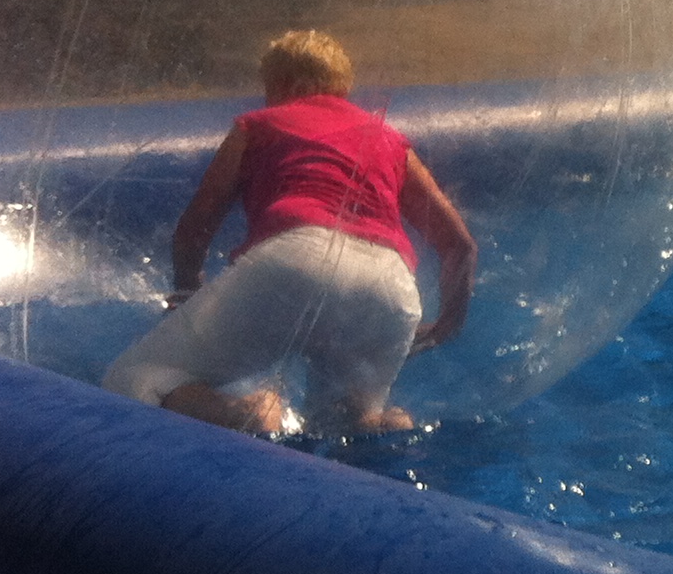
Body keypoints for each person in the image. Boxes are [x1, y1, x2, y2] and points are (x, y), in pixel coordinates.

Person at [103, 30, 475, 436]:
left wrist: (188, 294)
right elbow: (459, 245)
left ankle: (248, 414)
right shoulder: (389, 140)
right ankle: (391, 428)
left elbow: (198, 223)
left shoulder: (260, 124)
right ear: (343, 86)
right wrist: (446, 325)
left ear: (281, 83)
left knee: (137, 375)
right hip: (390, 287)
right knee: (351, 427)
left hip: (296, 262)